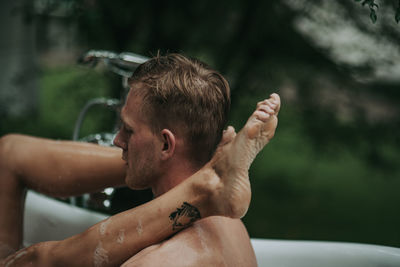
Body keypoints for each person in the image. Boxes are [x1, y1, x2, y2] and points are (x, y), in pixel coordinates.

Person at [0, 53, 281, 266]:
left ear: (165, 144)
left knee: (36, 259)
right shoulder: (232, 226)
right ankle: (204, 179)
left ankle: (202, 185)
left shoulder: (157, 261)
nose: (116, 140)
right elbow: (11, 156)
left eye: (128, 130)